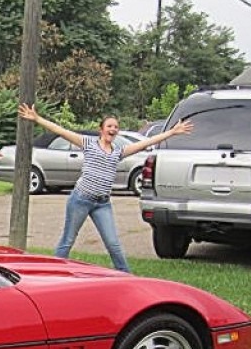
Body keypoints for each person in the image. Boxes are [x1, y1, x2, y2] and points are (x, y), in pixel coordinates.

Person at [17, 104, 193, 272]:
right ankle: (54, 272)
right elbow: (61, 131)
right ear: (101, 129)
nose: (113, 129)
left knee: (113, 244)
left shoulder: (118, 152)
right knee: (68, 240)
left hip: (102, 204)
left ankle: (125, 276)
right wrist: (37, 118)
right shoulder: (88, 143)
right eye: (109, 126)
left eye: (116, 127)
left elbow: (146, 142)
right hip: (80, 200)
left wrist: (172, 132)